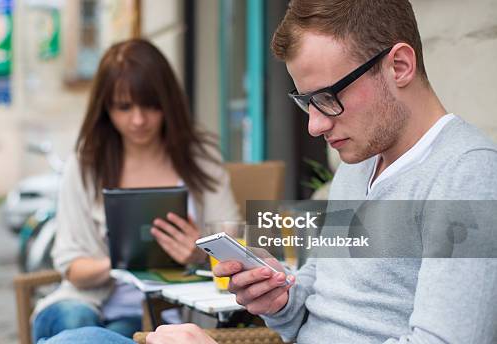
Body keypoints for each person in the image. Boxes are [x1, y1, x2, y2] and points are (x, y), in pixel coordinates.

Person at [146, 1, 497, 343]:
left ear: (400, 66)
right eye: (306, 102)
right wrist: (281, 298)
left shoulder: (467, 173)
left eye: (328, 97)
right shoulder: (359, 162)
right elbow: (316, 303)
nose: (314, 125)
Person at [31, 39, 240, 343]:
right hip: (81, 302)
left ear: (167, 101)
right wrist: (122, 260)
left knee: (100, 337)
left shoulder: (200, 157)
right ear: (105, 108)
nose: (139, 120)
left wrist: (198, 253)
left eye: (150, 105)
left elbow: (232, 238)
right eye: (124, 107)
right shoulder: (86, 165)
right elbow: (73, 267)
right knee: (77, 322)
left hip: (160, 316)